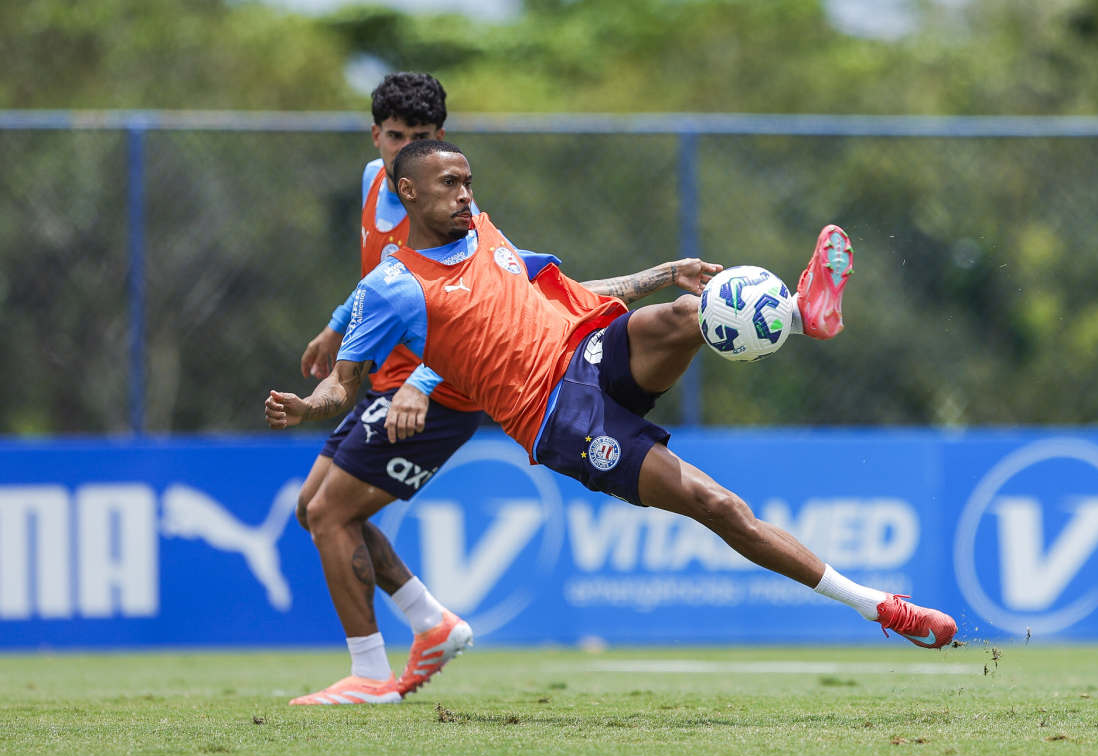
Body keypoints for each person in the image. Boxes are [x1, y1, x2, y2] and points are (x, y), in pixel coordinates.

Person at [265, 140, 958, 658]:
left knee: (695, 310)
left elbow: (574, 293)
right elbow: (345, 386)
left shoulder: (485, 234)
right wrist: (307, 407)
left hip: (587, 349)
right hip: (560, 419)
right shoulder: (392, 287)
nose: (465, 194)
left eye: (469, 182)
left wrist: (665, 272)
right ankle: (881, 608)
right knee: (719, 507)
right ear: (406, 193)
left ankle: (806, 316)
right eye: (449, 184)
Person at [290, 75, 723, 706]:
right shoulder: (374, 184)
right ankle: (432, 622)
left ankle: (372, 672)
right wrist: (336, 326)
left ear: (438, 141)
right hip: (386, 376)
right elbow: (378, 278)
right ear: (375, 135)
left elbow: (486, 313)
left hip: (437, 389)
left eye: (420, 137)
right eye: (394, 136)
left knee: (332, 514)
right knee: (313, 508)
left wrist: (420, 380)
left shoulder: (454, 210)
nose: (402, 147)